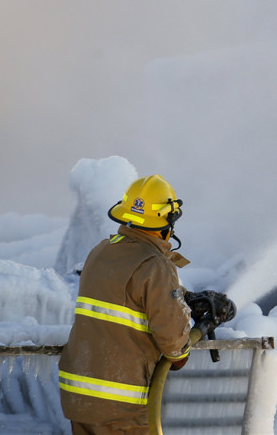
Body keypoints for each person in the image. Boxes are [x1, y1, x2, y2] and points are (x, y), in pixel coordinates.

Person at [58, 174, 193, 435]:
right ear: (168, 218)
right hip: (120, 402)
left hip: (78, 395)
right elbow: (173, 342)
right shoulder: (155, 265)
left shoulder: (101, 251)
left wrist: (183, 297)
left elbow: (126, 299)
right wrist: (182, 353)